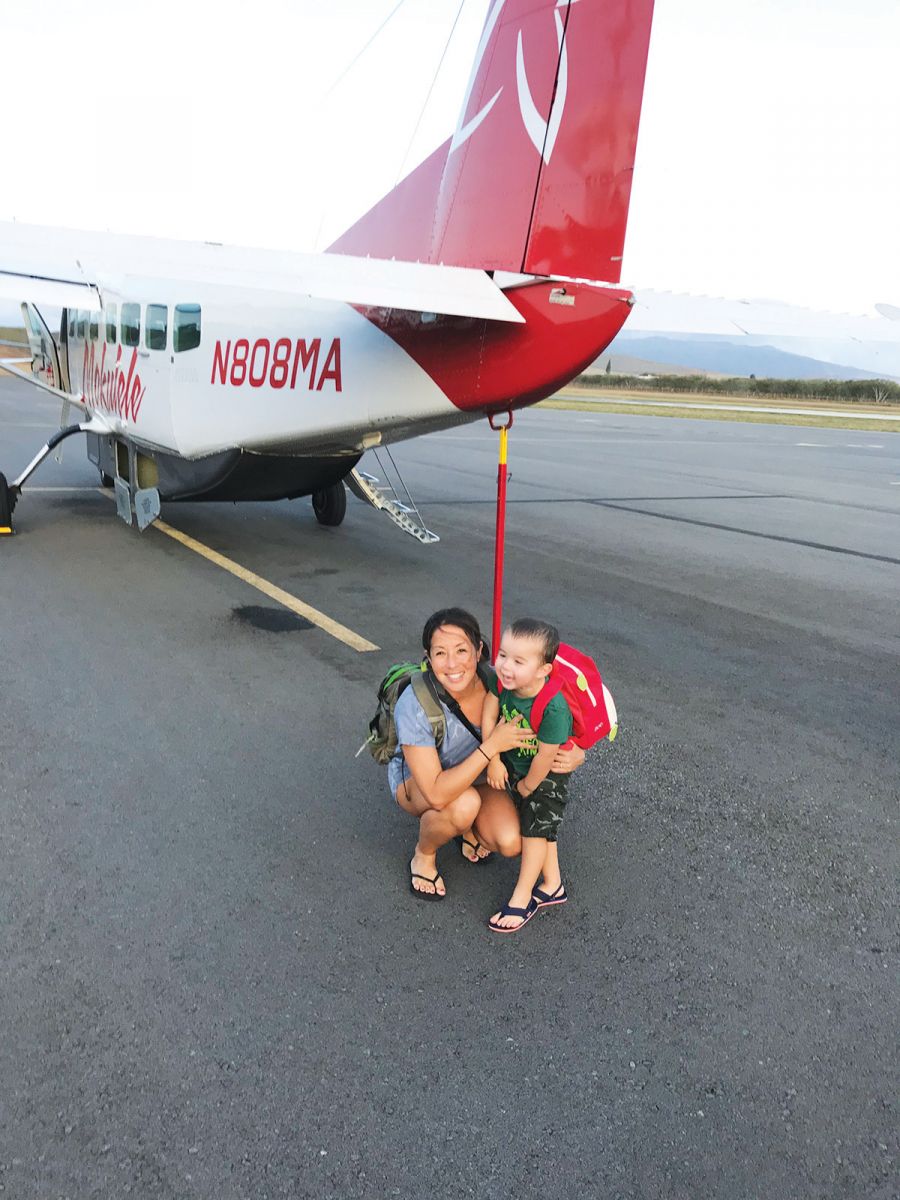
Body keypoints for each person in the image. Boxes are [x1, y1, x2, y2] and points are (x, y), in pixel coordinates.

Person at [390, 608, 584, 900]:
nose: (452, 663)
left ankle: (465, 831)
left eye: (461, 650)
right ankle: (424, 854)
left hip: (478, 774)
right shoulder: (415, 703)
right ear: (428, 657)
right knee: (460, 805)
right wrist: (492, 746)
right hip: (421, 784)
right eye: (440, 653)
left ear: (479, 650)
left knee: (509, 841)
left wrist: (576, 752)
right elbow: (435, 793)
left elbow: (550, 712)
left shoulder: (500, 681)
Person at [481, 618, 573, 933]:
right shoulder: (501, 682)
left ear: (543, 670)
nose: (505, 666)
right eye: (503, 655)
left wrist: (526, 787)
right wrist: (492, 756)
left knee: (533, 832)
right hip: (514, 766)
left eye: (519, 661)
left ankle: (523, 898)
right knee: (540, 826)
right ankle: (553, 884)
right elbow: (489, 714)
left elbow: (546, 756)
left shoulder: (553, 709)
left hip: (543, 775)